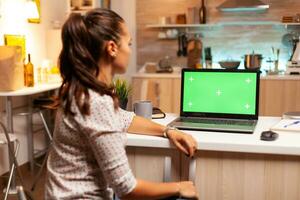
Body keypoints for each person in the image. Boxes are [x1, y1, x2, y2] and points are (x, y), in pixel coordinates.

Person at [45, 8, 198, 200]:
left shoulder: (81, 88)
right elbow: (127, 188)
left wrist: (169, 131)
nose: (130, 49)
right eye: (129, 43)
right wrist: (179, 187)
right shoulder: (95, 101)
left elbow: (124, 119)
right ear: (112, 48)